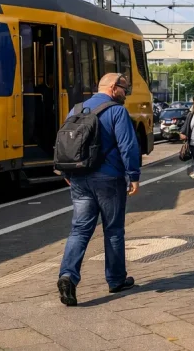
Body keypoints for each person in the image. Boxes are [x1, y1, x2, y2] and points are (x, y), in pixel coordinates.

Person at [57, 73, 140, 306]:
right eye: (124, 89)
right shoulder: (117, 111)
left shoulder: (75, 111)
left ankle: (67, 276)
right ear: (114, 88)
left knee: (79, 230)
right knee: (113, 230)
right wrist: (133, 176)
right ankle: (116, 280)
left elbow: (65, 145)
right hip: (109, 180)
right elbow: (128, 146)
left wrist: (67, 173)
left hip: (80, 179)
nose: (126, 94)